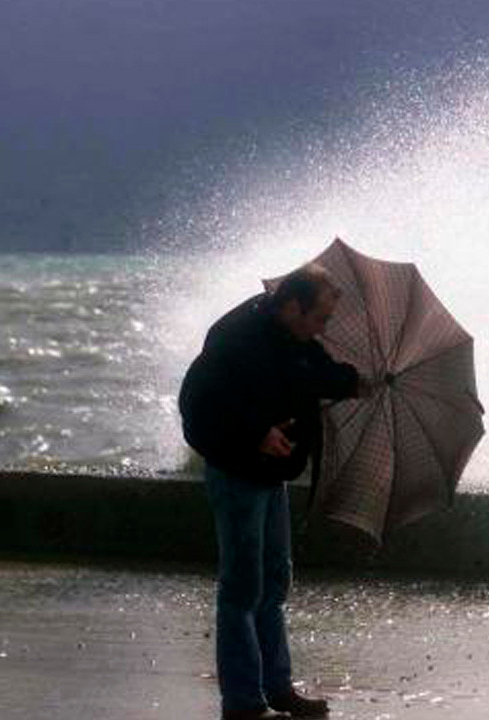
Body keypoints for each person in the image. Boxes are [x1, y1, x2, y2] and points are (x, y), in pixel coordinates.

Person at [179, 263, 362, 720]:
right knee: (241, 588)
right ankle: (243, 702)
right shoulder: (237, 337)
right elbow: (197, 404)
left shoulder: (295, 340)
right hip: (237, 472)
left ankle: (277, 688)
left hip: (270, 475)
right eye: (319, 317)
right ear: (292, 306)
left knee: (274, 581)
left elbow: (321, 375)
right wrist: (256, 433)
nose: (323, 328)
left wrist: (361, 383)